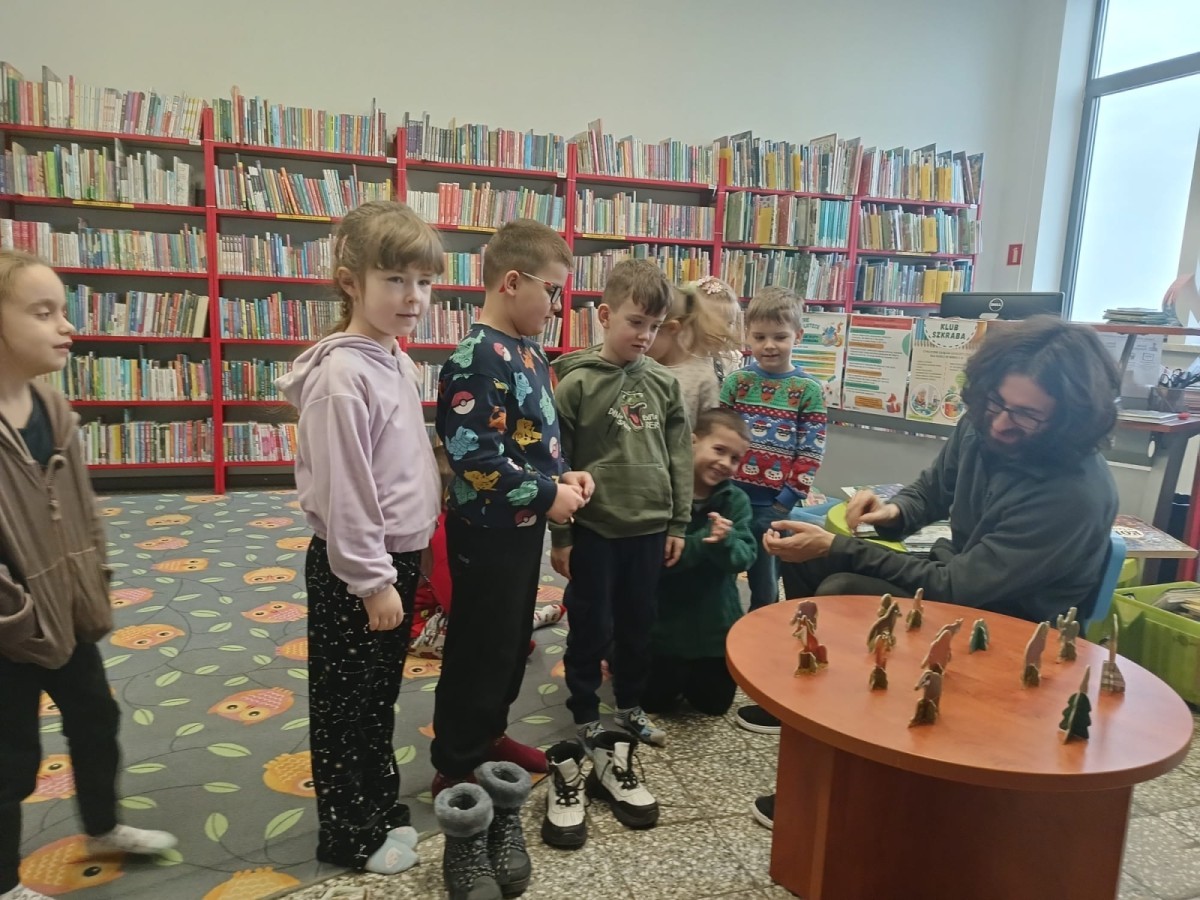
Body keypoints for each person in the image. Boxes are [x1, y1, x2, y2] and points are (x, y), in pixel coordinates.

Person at [745, 315, 1122, 828]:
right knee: (817, 567)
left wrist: (840, 545)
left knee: (844, 589)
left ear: (1069, 421)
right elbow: (932, 490)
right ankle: (814, 715)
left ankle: (845, 776)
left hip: (1014, 623)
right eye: (996, 403)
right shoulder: (985, 423)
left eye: (1026, 415)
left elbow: (957, 587)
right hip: (964, 580)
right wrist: (893, 512)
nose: (1000, 423)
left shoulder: (1072, 494)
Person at [0, 250, 177, 900]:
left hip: (68, 611)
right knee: (11, 760)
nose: (65, 326)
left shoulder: (53, 409)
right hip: (9, 633)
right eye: (42, 313)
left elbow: (82, 510)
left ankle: (102, 828)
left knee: (96, 720)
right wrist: (17, 618)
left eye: (63, 311)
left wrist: (93, 582)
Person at [276, 200, 443, 873]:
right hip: (357, 569)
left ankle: (377, 809)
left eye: (424, 281)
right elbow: (346, 493)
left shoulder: (393, 358)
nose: (414, 297)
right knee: (345, 708)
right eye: (395, 279)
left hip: (395, 558)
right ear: (350, 282)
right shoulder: (343, 378)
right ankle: (348, 834)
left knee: (377, 699)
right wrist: (372, 581)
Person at [430, 219, 592, 795]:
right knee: (477, 647)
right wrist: (550, 496)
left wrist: (562, 472)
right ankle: (456, 760)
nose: (557, 305)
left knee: (508, 641)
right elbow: (475, 459)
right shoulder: (478, 358)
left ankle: (490, 734)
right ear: (513, 282)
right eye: (552, 290)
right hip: (485, 531)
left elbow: (532, 437)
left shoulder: (527, 350)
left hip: (521, 527)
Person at [550, 259, 692, 748]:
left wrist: (678, 524)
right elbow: (559, 462)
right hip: (596, 529)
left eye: (655, 326)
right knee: (590, 625)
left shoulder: (664, 384)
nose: (645, 336)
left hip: (649, 529)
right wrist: (562, 535)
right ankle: (585, 710)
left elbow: (679, 457)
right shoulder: (576, 384)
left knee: (637, 625)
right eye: (636, 322)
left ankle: (630, 705)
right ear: (605, 315)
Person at [642, 408, 756, 717]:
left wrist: (725, 541)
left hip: (714, 630)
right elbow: (661, 562)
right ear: (692, 442)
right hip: (663, 629)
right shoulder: (661, 492)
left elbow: (745, 557)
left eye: (735, 458)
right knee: (653, 703)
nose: (726, 463)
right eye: (719, 450)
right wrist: (706, 539)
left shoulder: (735, 501)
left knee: (713, 706)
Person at [720, 286, 826, 612]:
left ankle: (760, 633)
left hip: (773, 505)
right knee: (720, 572)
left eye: (780, 337)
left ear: (798, 336)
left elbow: (811, 450)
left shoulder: (808, 390)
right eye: (760, 337)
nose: (769, 345)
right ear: (748, 337)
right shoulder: (736, 383)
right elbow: (719, 436)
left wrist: (787, 499)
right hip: (730, 497)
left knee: (765, 582)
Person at [646, 282, 741, 426]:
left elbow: (709, 429)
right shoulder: (641, 365)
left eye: (654, 328)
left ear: (673, 328)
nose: (644, 338)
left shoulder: (704, 376)